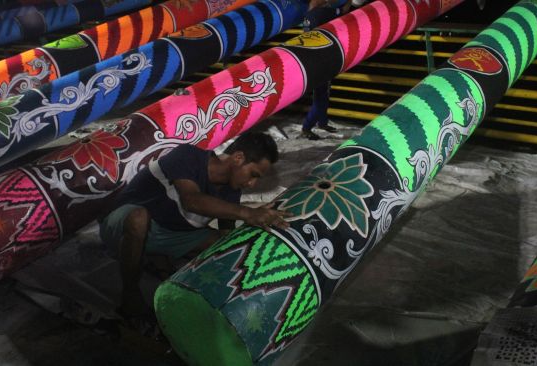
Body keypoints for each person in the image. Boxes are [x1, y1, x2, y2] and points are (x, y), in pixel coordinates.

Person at [99, 132, 290, 319]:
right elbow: (192, 201)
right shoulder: (188, 155)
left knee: (219, 244)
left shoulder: (231, 190)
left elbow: (226, 235)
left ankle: (157, 258)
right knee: (138, 218)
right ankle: (130, 293)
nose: (252, 184)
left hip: (169, 235)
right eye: (253, 174)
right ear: (238, 158)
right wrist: (249, 213)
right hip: (120, 226)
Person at [300, 0, 352, 140]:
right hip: (320, 61)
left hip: (312, 59)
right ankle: (307, 127)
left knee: (322, 93)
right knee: (321, 96)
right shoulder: (323, 13)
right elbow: (343, 11)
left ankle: (322, 122)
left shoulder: (309, 15)